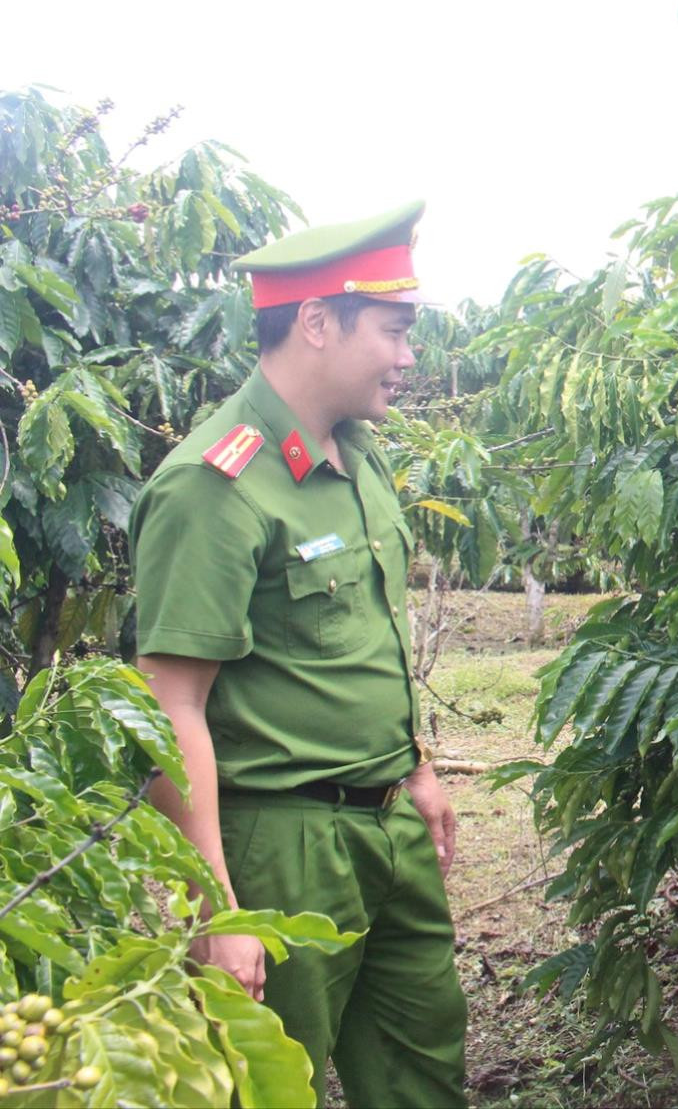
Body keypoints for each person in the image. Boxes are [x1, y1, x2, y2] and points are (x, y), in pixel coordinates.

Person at [129, 200, 467, 1106]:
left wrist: (419, 766)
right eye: (394, 332)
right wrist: (220, 907)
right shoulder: (216, 487)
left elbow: (370, 637)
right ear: (317, 321)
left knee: (420, 1067)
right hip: (284, 844)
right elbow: (169, 709)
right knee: (269, 1082)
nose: (408, 356)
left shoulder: (357, 456)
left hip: (388, 821)